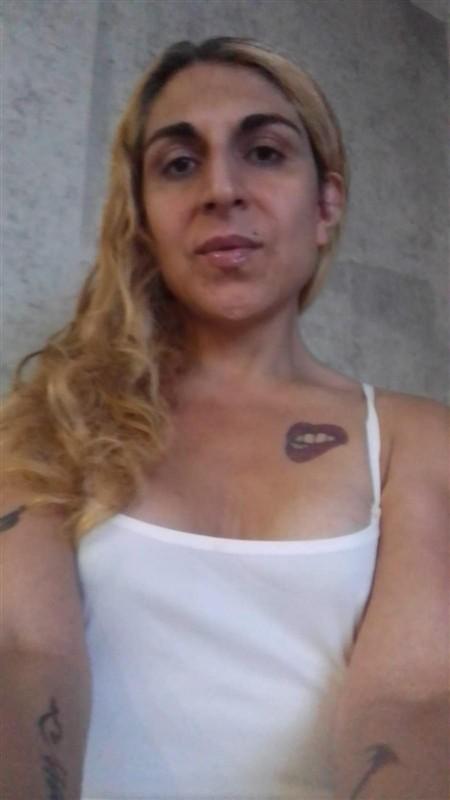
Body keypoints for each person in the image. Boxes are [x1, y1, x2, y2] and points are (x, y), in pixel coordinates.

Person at [0, 36, 447, 800]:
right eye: (179, 164)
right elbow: (22, 655)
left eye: (264, 153)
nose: (221, 189)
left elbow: (413, 700)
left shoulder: (416, 440)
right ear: (144, 217)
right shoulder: (52, 420)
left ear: (326, 204)